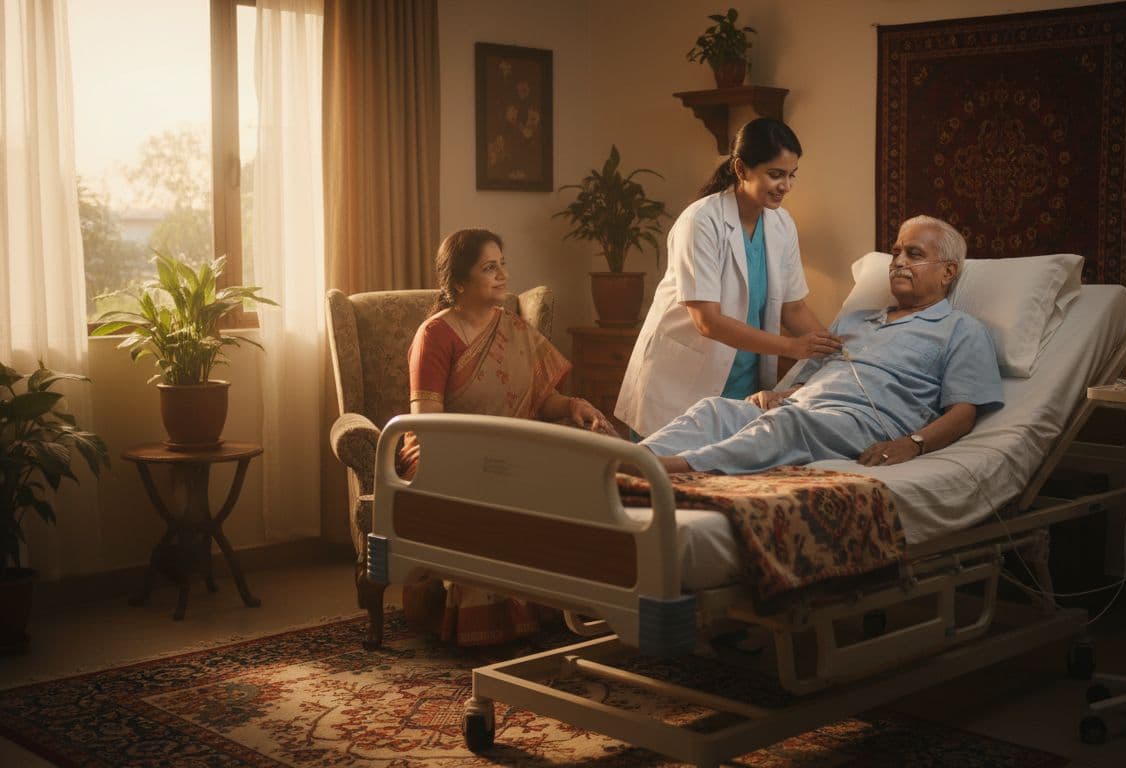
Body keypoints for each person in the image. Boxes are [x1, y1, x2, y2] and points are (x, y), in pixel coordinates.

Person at [641, 215, 1003, 475]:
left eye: (914, 254)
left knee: (787, 424)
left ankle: (670, 469)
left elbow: (963, 414)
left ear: (949, 272)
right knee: (715, 410)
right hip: (804, 408)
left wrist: (912, 443)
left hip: (863, 423)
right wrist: (781, 394)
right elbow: (805, 379)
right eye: (895, 253)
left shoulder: (961, 330)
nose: (898, 263)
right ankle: (624, 460)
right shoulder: (855, 320)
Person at [399, 227, 617, 646]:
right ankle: (486, 618)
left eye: (503, 264)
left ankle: (573, 601)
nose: (503, 275)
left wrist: (573, 406)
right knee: (493, 482)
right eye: (489, 268)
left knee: (588, 451)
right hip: (442, 452)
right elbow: (427, 423)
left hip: (512, 446)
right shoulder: (435, 335)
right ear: (459, 282)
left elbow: (544, 398)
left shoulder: (515, 327)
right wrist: (485, 453)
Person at [615, 118, 842, 439]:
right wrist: (792, 347)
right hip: (679, 384)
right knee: (663, 478)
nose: (786, 186)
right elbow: (707, 322)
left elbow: (794, 309)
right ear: (740, 169)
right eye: (775, 174)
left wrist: (834, 350)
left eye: (791, 175)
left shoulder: (782, 225)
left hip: (742, 387)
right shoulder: (700, 221)